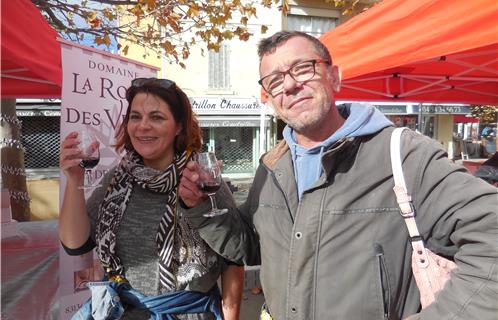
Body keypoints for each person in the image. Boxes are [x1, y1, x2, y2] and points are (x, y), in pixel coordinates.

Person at [179, 31, 498, 320]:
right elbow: (250, 247)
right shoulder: (272, 166)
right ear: (270, 97)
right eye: (274, 80)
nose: (289, 85)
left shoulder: (404, 155)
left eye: (303, 68)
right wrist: (200, 210)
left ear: (334, 76)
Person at [59, 78, 244, 320]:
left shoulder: (200, 178)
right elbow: (75, 244)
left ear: (178, 126)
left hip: (188, 313)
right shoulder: (117, 179)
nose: (143, 126)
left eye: (156, 117)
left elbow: (234, 259)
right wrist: (74, 180)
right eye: (135, 117)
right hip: (125, 312)